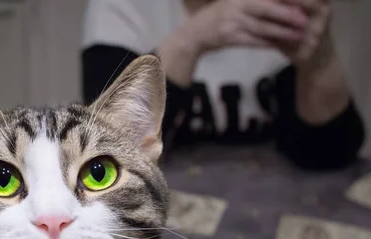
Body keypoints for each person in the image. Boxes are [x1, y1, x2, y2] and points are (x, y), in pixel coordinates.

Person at [82, 0, 365, 170]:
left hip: (266, 200)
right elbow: (107, 153)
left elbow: (329, 152)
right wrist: (192, 39)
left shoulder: (277, 10)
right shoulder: (121, 8)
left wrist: (320, 57)